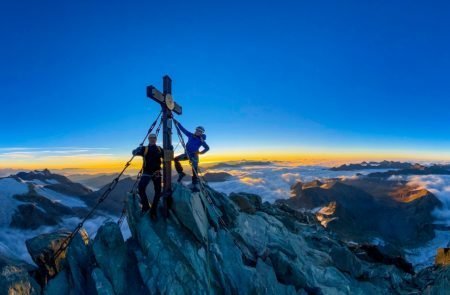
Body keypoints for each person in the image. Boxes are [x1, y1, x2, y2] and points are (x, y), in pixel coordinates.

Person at [132, 133, 163, 219]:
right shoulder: (144, 149)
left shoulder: (159, 149)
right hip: (147, 172)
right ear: (149, 139)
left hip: (156, 172)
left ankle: (153, 210)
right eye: (151, 138)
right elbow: (133, 153)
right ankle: (146, 207)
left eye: (154, 138)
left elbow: (167, 156)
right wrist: (137, 150)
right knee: (141, 188)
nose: (153, 139)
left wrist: (170, 151)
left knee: (158, 191)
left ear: (156, 139)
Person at [174, 120, 210, 192]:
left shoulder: (201, 140)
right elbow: (183, 130)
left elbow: (207, 148)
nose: (197, 131)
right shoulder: (190, 135)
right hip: (187, 154)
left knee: (194, 170)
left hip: (194, 156)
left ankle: (195, 185)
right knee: (175, 159)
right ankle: (181, 173)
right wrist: (178, 123)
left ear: (201, 133)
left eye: (200, 131)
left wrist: (200, 153)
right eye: (197, 130)